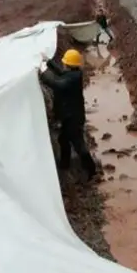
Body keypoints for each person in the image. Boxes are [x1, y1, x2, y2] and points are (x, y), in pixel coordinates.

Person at [38, 48, 97, 179]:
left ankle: (91, 171)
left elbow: (57, 83)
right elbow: (60, 73)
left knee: (78, 144)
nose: (63, 64)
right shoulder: (72, 74)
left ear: (69, 65)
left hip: (73, 118)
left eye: (65, 62)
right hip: (69, 116)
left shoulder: (73, 78)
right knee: (63, 139)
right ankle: (65, 165)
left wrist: (43, 73)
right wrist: (48, 62)